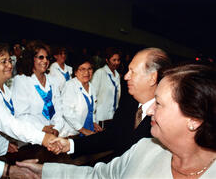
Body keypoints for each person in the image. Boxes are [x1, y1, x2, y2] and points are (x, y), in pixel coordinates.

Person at [17, 63, 216, 179]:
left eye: (159, 103)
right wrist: (43, 171)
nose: (151, 109)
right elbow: (97, 176)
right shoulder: (144, 149)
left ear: (194, 119)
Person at [49, 48, 171, 159]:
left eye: (132, 72)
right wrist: (71, 145)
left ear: (152, 78)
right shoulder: (128, 105)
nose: (126, 77)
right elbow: (110, 137)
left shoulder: (167, 119)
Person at [0, 43, 56, 157]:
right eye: (3, 62)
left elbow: (12, 120)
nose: (9, 65)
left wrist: (3, 145)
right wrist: (42, 138)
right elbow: (7, 123)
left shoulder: (5, 89)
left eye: (9, 61)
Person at [11, 45, 64, 137]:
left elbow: (59, 110)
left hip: (53, 135)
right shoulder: (21, 81)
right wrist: (43, 128)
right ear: (31, 59)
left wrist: (56, 128)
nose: (45, 61)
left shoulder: (53, 81)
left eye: (47, 58)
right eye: (41, 57)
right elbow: (21, 115)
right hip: (31, 136)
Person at [59, 57, 103, 137]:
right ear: (75, 72)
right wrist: (82, 129)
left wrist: (93, 122)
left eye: (89, 69)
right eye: (82, 69)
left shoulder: (92, 87)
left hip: (88, 130)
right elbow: (66, 112)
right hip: (71, 134)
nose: (87, 72)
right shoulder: (70, 86)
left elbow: (92, 110)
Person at [91, 47, 121, 128]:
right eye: (114, 60)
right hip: (101, 117)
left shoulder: (117, 75)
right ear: (107, 60)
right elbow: (92, 96)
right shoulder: (100, 73)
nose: (117, 62)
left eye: (118, 60)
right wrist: (93, 118)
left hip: (113, 115)